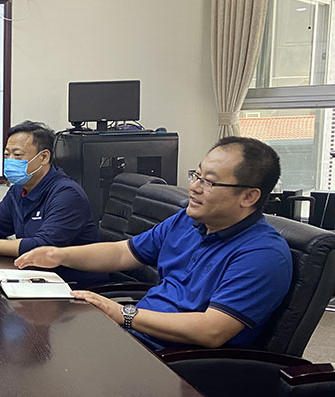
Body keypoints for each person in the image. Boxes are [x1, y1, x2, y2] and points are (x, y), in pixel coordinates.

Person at [15, 137, 293, 350]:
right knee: (34, 340)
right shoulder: (186, 221)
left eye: (209, 183)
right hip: (136, 337)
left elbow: (211, 331)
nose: (194, 187)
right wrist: (59, 254)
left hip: (177, 364)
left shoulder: (263, 254)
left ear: (249, 197)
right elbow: (122, 253)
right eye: (196, 176)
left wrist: (123, 314)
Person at [0, 120, 103, 285]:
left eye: (17, 155)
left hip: (73, 285)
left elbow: (43, 247)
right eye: (6, 155)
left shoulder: (67, 194)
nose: (10, 160)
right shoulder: (18, 189)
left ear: (43, 157)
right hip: (34, 277)